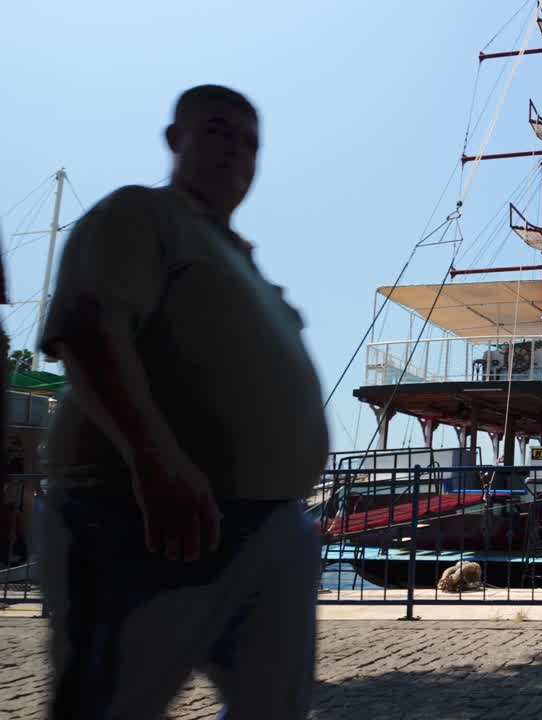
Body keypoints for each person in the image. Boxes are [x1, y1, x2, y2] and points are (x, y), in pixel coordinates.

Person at [38, 85, 329, 719]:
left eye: (250, 142)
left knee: (275, 706)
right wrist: (154, 459)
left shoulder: (241, 259)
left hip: (271, 527)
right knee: (114, 700)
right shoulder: (141, 214)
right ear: (176, 140)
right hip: (147, 513)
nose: (236, 151)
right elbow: (89, 330)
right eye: (219, 131)